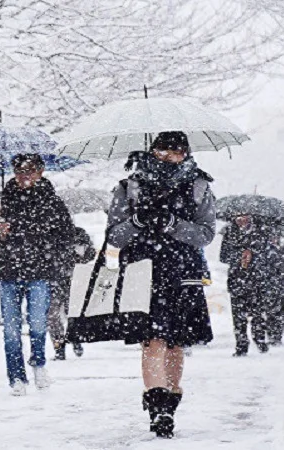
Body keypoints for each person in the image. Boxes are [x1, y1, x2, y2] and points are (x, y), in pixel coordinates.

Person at [106, 131, 216, 438]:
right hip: (143, 272)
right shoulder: (130, 186)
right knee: (151, 340)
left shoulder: (198, 186)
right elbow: (114, 235)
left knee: (175, 342)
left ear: (186, 153)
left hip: (183, 271)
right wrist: (138, 221)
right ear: (152, 151)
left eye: (176, 152)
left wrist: (172, 225)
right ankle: (158, 409)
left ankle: (170, 402)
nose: (169, 157)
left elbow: (206, 234)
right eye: (163, 151)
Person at [0, 153, 75, 396]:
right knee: (11, 330)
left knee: (38, 324)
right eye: (20, 171)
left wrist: (46, 244)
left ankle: (39, 363)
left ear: (41, 172)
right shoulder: (0, 201)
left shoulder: (52, 202)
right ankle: (16, 377)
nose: (25, 176)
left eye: (30, 170)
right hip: (8, 273)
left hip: (40, 272)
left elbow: (67, 235)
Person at [219, 215, 275, 356]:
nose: (242, 219)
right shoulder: (229, 232)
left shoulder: (261, 232)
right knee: (238, 317)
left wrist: (253, 254)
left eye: (245, 216)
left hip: (257, 281)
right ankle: (241, 344)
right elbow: (223, 256)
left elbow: (268, 256)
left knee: (258, 314)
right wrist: (240, 255)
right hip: (237, 281)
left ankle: (260, 340)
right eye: (238, 216)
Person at [48, 226, 96, 360]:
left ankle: (72, 340)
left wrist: (77, 254)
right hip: (58, 279)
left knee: (67, 313)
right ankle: (61, 347)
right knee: (55, 316)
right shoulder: (46, 234)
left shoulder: (77, 233)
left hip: (69, 279)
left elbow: (89, 253)